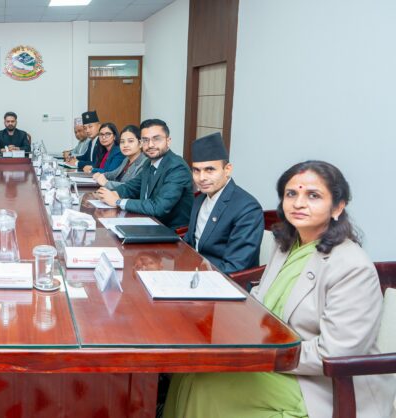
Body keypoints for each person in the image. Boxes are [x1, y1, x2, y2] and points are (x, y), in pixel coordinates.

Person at [164, 160, 396, 418]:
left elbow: (334, 353)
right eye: (291, 194)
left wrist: (263, 354)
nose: (299, 203)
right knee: (192, 368)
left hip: (323, 384)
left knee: (205, 385)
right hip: (276, 359)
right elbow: (261, 302)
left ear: (338, 207)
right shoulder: (286, 245)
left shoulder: (352, 266)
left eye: (313, 195)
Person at [181, 132, 263, 274]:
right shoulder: (200, 199)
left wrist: (195, 276)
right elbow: (189, 242)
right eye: (196, 170)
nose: (201, 178)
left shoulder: (247, 208)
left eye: (210, 170)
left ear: (227, 170)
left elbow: (236, 266)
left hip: (224, 280)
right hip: (194, 270)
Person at [95, 118, 193, 229]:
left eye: (156, 139)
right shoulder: (148, 163)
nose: (150, 145)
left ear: (168, 141)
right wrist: (108, 194)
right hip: (147, 222)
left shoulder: (177, 167)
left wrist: (118, 201)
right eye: (145, 140)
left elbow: (159, 207)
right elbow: (131, 187)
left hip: (168, 231)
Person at [93, 124, 146, 190]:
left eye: (130, 141)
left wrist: (106, 183)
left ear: (140, 143)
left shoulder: (145, 163)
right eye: (122, 142)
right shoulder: (126, 160)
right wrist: (102, 175)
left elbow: (133, 187)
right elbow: (114, 174)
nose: (125, 145)